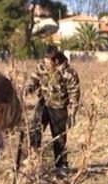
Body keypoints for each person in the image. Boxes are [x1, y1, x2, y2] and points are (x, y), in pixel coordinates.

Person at [24, 46, 81, 175]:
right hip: (43, 104)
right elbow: (33, 79)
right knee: (34, 130)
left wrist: (72, 114)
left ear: (56, 60)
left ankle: (61, 166)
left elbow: (74, 94)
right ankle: (32, 159)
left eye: (48, 60)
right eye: (44, 59)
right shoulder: (42, 67)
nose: (45, 62)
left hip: (59, 108)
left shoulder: (69, 72)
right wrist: (28, 88)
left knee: (59, 138)